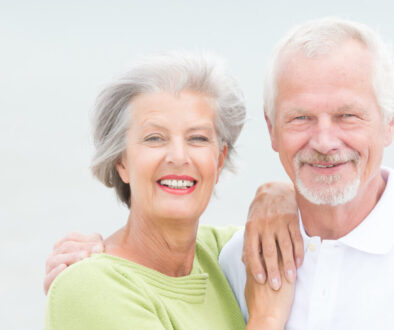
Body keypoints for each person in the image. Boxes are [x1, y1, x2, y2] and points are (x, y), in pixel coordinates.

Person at [45, 51, 298, 330]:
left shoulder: (226, 252)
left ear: (220, 159)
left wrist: (283, 194)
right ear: (121, 162)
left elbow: (328, 227)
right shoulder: (89, 286)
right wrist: (267, 318)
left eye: (198, 138)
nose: (178, 156)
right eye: (155, 138)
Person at [219, 17, 394, 329]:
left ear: (389, 124)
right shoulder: (240, 258)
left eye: (347, 116)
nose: (324, 142)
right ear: (272, 129)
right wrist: (102, 248)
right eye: (300, 117)